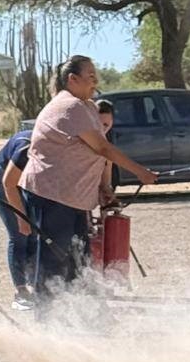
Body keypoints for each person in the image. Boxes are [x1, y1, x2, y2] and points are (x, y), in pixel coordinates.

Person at [19, 56, 155, 295]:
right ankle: (47, 319)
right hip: (52, 194)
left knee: (79, 258)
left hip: (72, 196)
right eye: (90, 76)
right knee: (55, 260)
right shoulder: (69, 106)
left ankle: (81, 316)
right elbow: (102, 149)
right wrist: (140, 172)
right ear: (72, 79)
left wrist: (103, 187)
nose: (96, 82)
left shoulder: (87, 107)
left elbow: (100, 151)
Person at [0, 125, 38, 310]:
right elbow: (8, 183)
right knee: (19, 234)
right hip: (2, 179)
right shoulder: (26, 148)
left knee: (34, 233)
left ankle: (35, 285)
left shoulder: (51, 146)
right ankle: (21, 291)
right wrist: (21, 218)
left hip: (22, 180)